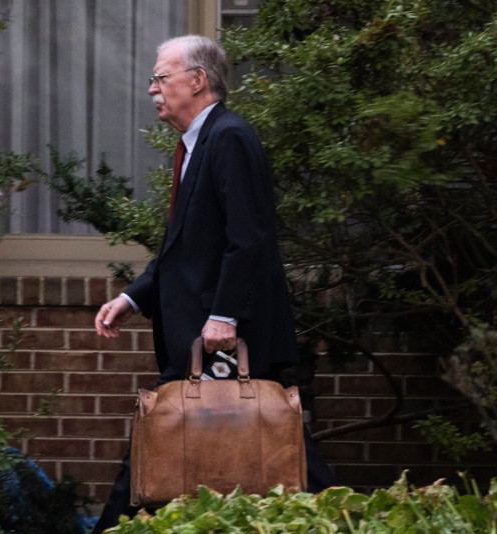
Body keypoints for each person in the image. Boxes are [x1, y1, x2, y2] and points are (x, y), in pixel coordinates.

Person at [92, 35, 335, 532]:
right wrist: (132, 297)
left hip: (219, 335)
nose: (152, 88)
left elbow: (248, 239)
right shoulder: (197, 144)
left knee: (173, 443)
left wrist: (224, 316)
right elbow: (188, 247)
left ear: (198, 80)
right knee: (272, 447)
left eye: (161, 77)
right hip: (204, 332)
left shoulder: (229, 138)